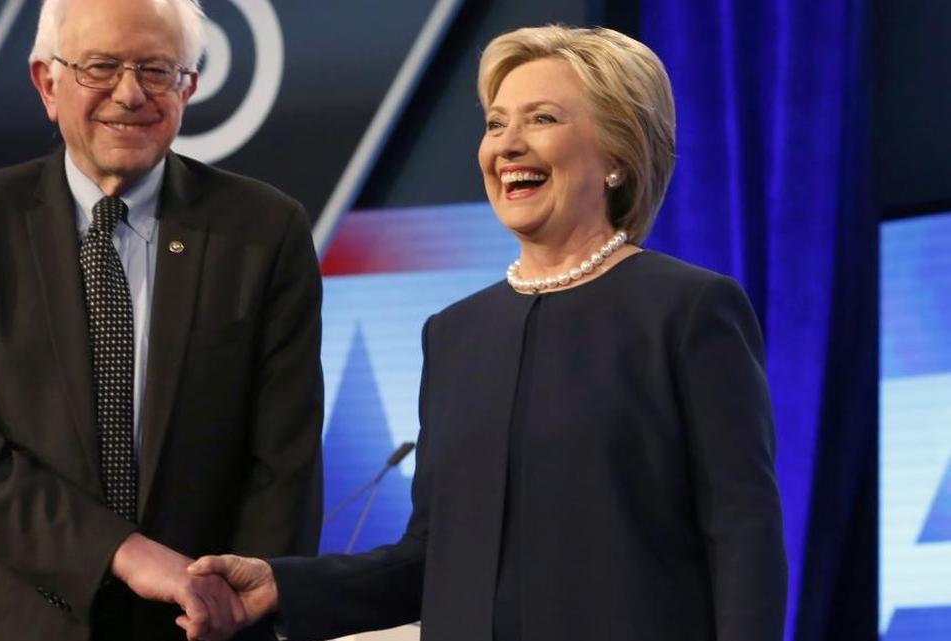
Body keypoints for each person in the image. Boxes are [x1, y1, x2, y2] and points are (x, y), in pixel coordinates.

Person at [183, 25, 787, 641]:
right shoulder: (454, 335)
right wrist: (283, 585)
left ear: (616, 156)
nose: (509, 146)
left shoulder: (689, 311)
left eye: (543, 119)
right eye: (496, 124)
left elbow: (743, 536)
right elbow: (429, 561)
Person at [0, 0, 323, 639]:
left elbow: (284, 461)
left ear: (189, 88)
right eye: (100, 67)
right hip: (2, 615)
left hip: (194, 620)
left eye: (156, 70)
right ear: (48, 83)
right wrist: (124, 553)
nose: (130, 95)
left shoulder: (265, 231)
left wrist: (241, 609)